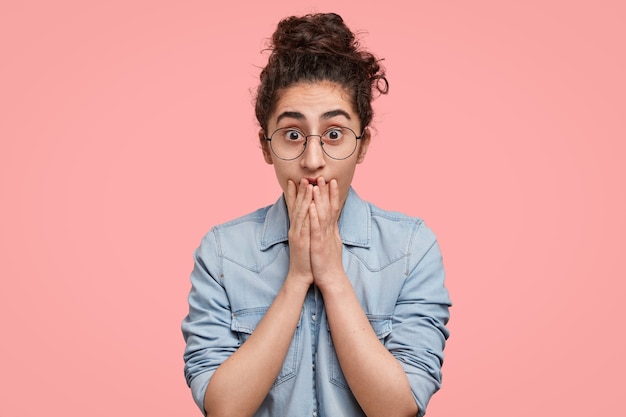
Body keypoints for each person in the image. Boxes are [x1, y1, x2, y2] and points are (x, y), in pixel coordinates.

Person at [182, 12, 451, 417]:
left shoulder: (412, 248)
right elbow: (223, 408)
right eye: (292, 134)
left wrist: (331, 274)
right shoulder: (221, 253)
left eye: (334, 134)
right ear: (265, 145)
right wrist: (296, 279)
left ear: (362, 145)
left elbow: (399, 409)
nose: (312, 160)